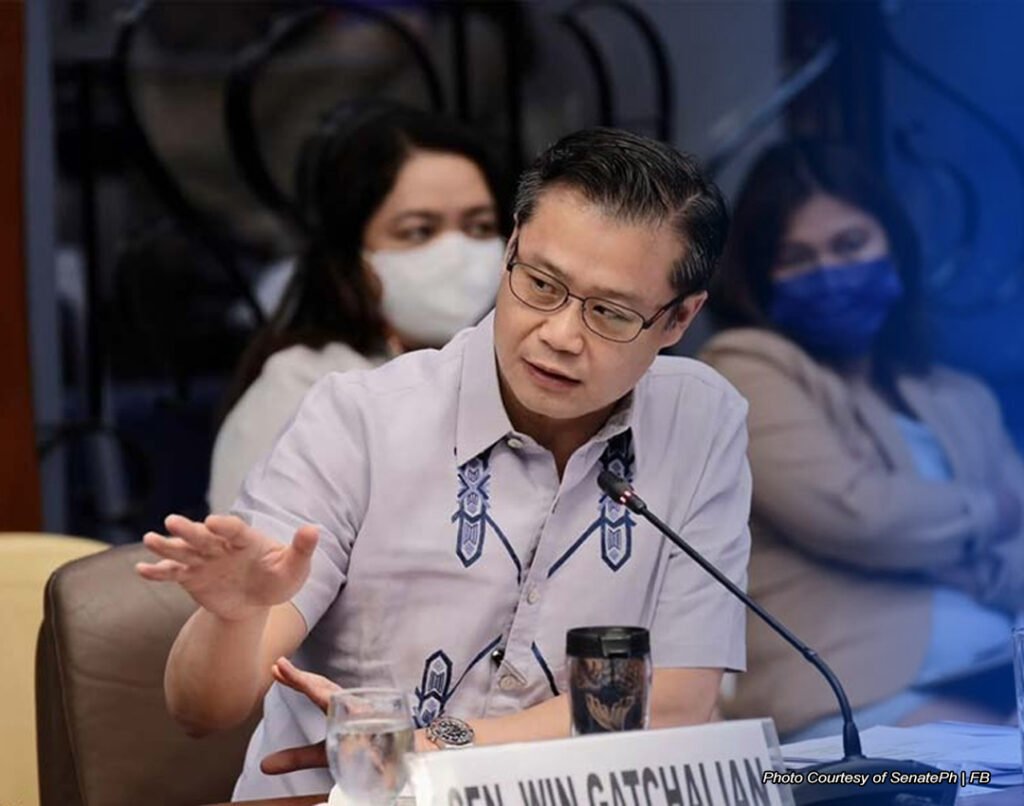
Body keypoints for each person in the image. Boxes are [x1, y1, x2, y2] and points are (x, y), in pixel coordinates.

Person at [138, 128, 750, 799]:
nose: (560, 335)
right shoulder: (359, 420)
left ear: (679, 319)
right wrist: (234, 618)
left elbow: (676, 705)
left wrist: (431, 746)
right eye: (541, 284)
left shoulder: (700, 421)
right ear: (510, 251)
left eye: (609, 313)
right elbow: (202, 711)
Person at [701, 141, 1024, 740]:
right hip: (853, 693)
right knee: (1001, 773)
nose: (830, 273)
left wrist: (968, 559)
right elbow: (856, 513)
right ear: (761, 278)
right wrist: (988, 513)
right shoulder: (746, 367)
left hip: (995, 664)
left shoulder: (955, 392)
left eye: (850, 245)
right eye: (797, 258)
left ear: (893, 246)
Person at [208, 100, 508, 514]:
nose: (456, 252)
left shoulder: (517, 376)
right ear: (351, 256)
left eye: (480, 227)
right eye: (419, 231)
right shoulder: (299, 395)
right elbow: (252, 551)